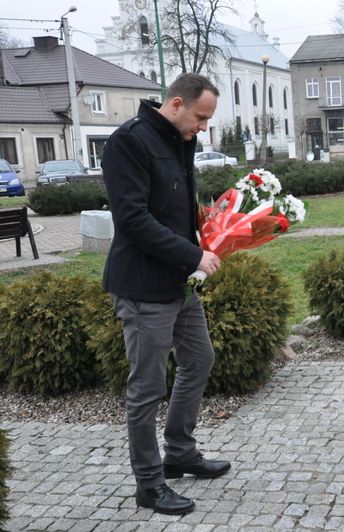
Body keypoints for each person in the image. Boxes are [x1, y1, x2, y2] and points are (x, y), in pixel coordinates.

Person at [102, 73, 230, 516]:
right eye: (200, 117)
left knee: (199, 360)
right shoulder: (128, 142)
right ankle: (149, 483)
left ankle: (179, 453)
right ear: (176, 104)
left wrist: (210, 223)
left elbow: (172, 204)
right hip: (142, 287)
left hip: (178, 282)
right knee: (147, 387)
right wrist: (194, 254)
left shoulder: (179, 139)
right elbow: (133, 219)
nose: (203, 127)